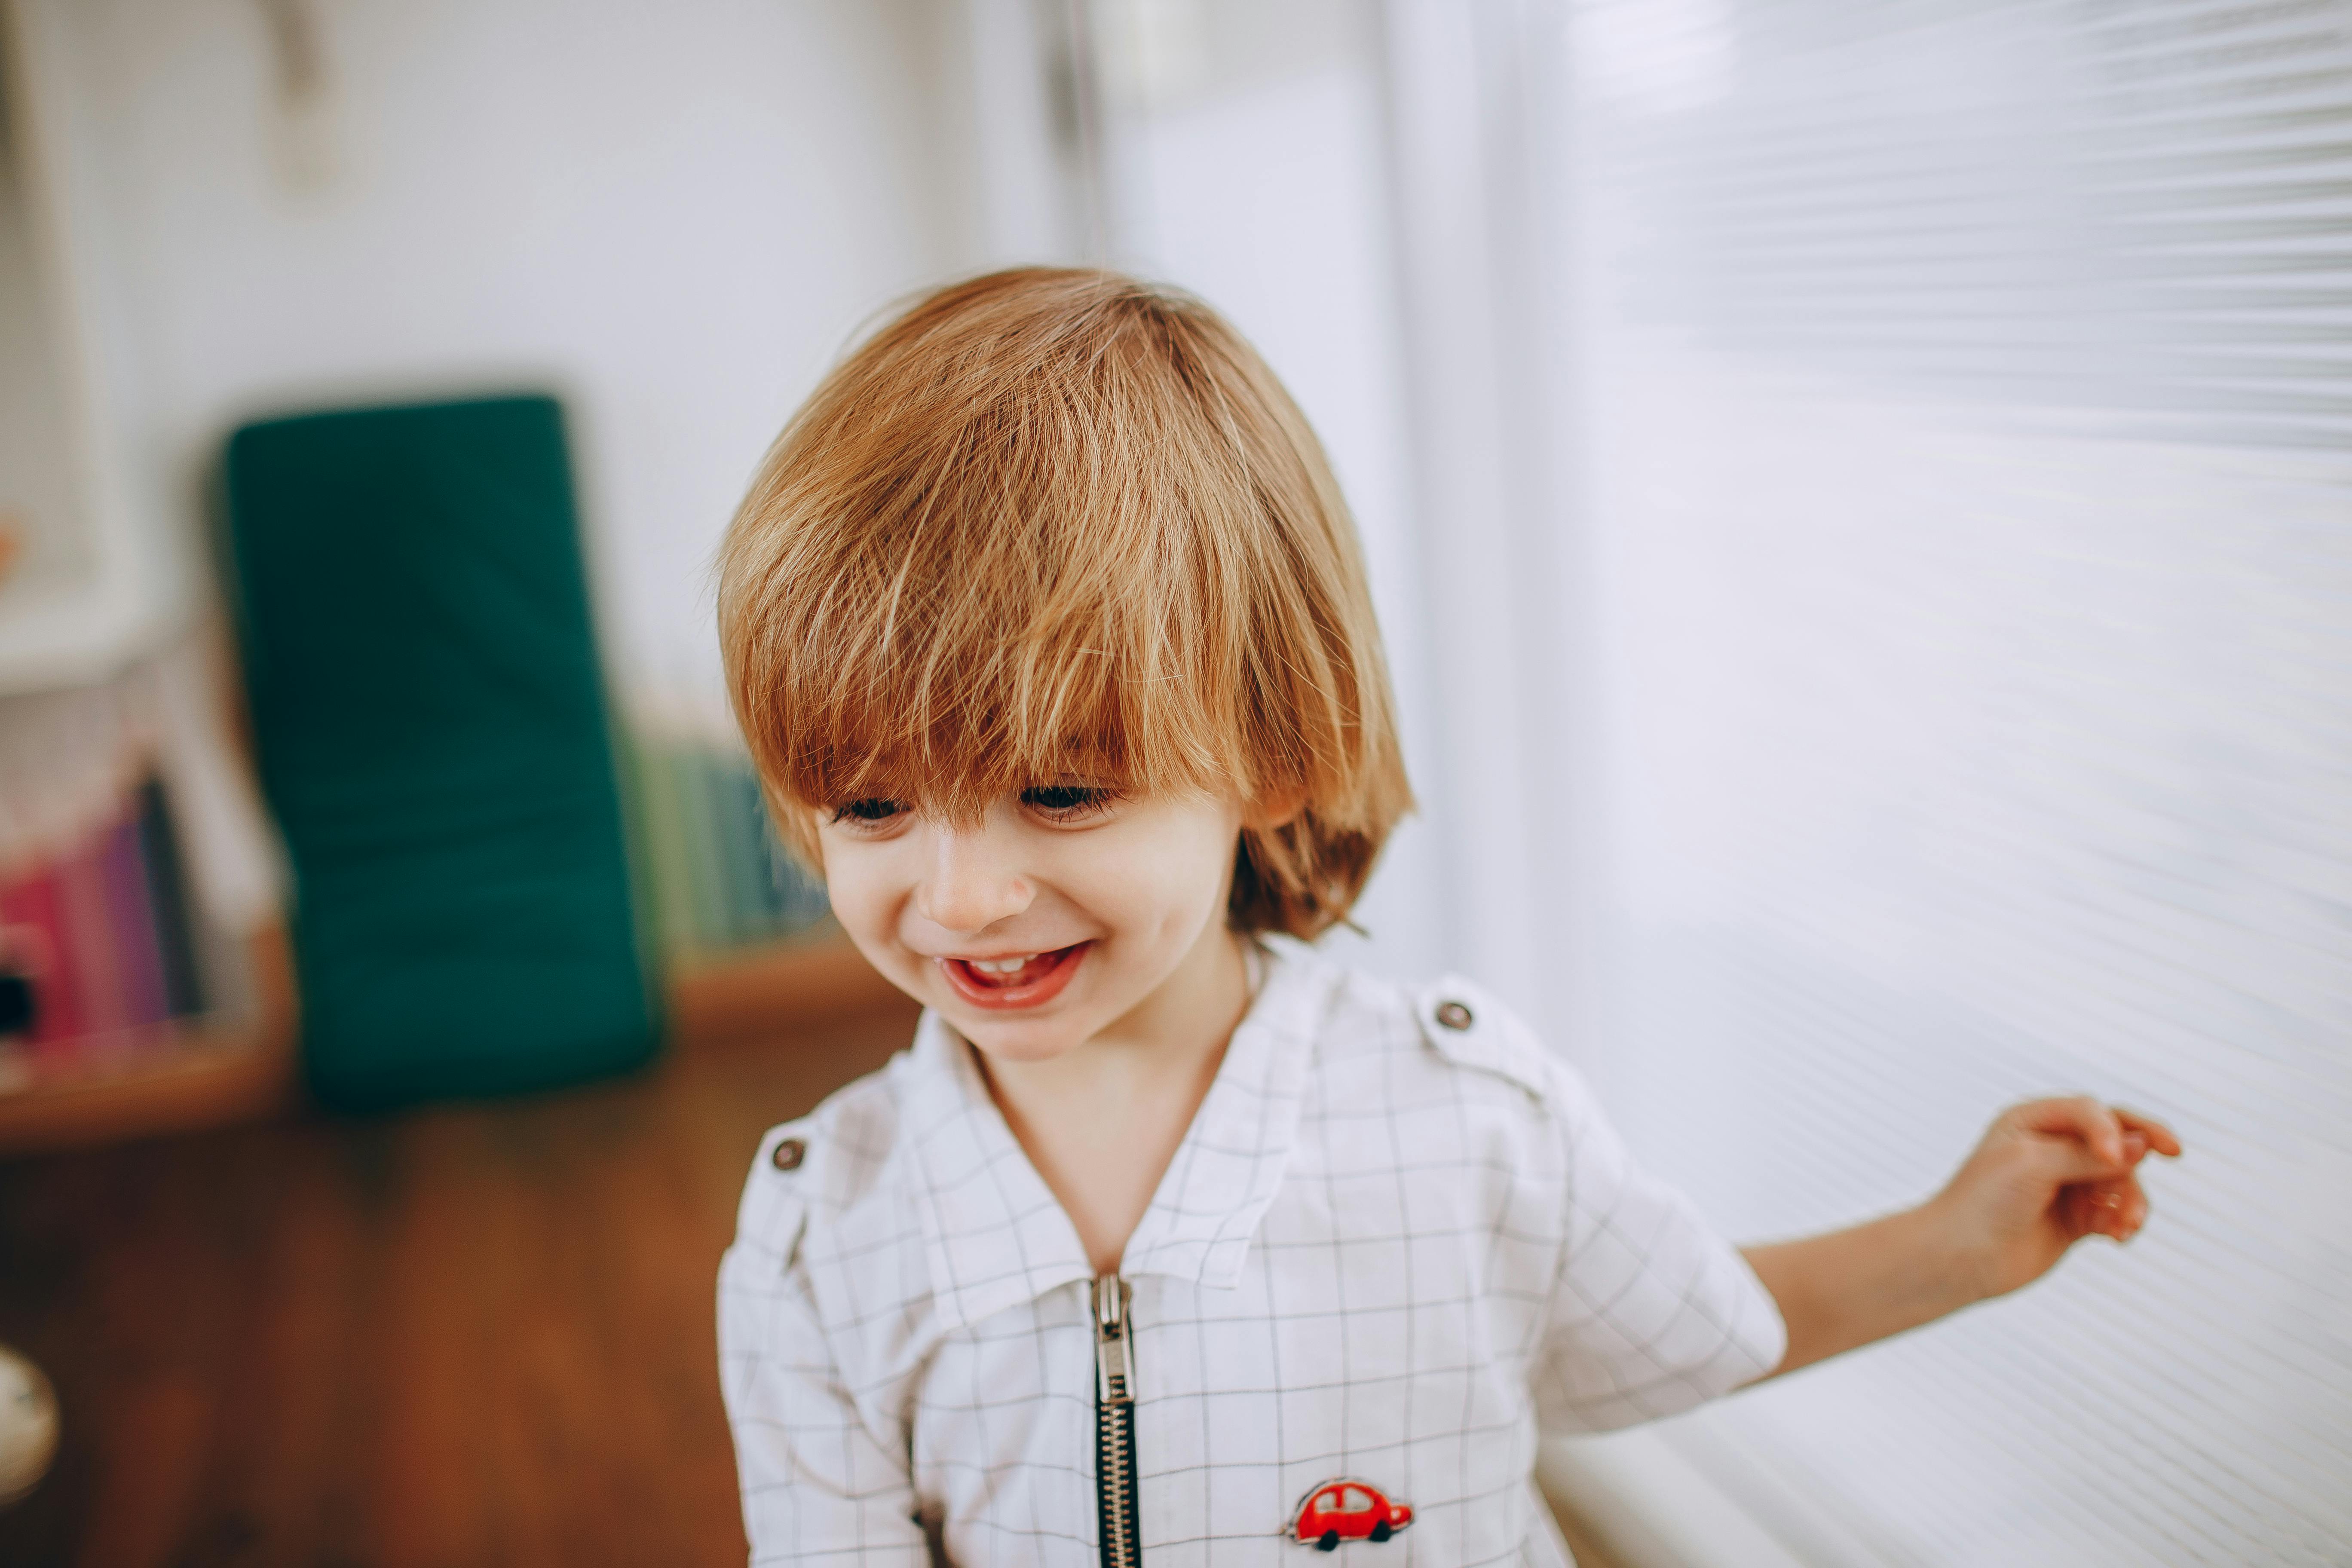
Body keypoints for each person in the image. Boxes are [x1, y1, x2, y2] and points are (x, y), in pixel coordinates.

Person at [712, 268, 2179, 1566]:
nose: (963, 897)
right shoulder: (815, 1239)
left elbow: (1697, 1323)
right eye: (871, 805)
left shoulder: (1464, 1113)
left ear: (1274, 754)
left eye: (1063, 791)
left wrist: (1956, 1240)